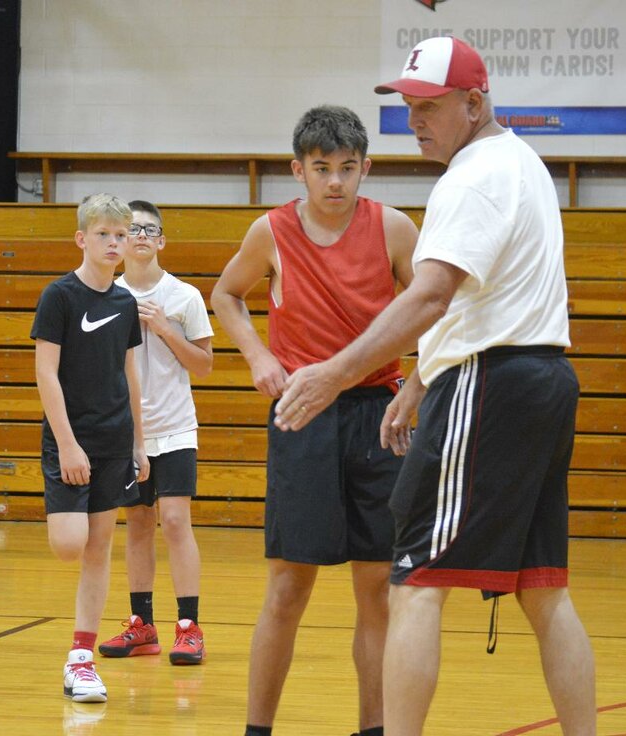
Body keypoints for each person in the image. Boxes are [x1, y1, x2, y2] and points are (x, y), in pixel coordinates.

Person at [273, 37, 596, 735]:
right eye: (408, 107)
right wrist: (420, 379)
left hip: (491, 383)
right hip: (544, 379)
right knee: (545, 591)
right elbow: (487, 299)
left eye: (428, 107)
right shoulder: (524, 165)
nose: (413, 120)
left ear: (474, 104)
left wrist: (336, 373)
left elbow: (431, 297)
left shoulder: (470, 177)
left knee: (414, 581)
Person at [210, 104, 418, 736]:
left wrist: (418, 386)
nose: (335, 182)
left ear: (366, 169)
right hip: (302, 412)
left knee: (377, 588)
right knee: (287, 589)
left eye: (348, 168)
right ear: (298, 170)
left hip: (380, 413)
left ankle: (375, 729)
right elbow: (225, 294)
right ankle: (257, 731)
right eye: (322, 168)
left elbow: (434, 310)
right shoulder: (270, 232)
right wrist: (257, 355)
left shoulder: (396, 229)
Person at [31, 193, 150, 703]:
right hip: (70, 441)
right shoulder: (59, 296)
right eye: (103, 234)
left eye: (120, 235)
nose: (113, 243)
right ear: (82, 238)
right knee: (69, 545)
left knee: (100, 547)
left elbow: (130, 376)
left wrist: (139, 444)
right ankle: (78, 657)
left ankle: (80, 659)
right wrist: (68, 444)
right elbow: (45, 372)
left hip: (114, 441)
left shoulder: (124, 303)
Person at [98, 200, 213, 665]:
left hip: (176, 428)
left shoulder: (184, 296)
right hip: (129, 434)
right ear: (121, 242)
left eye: (149, 229)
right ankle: (142, 625)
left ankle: (189, 627)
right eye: (132, 230)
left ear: (162, 240)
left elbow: (204, 366)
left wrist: (166, 330)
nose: (141, 236)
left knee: (176, 521)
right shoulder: (105, 295)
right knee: (139, 525)